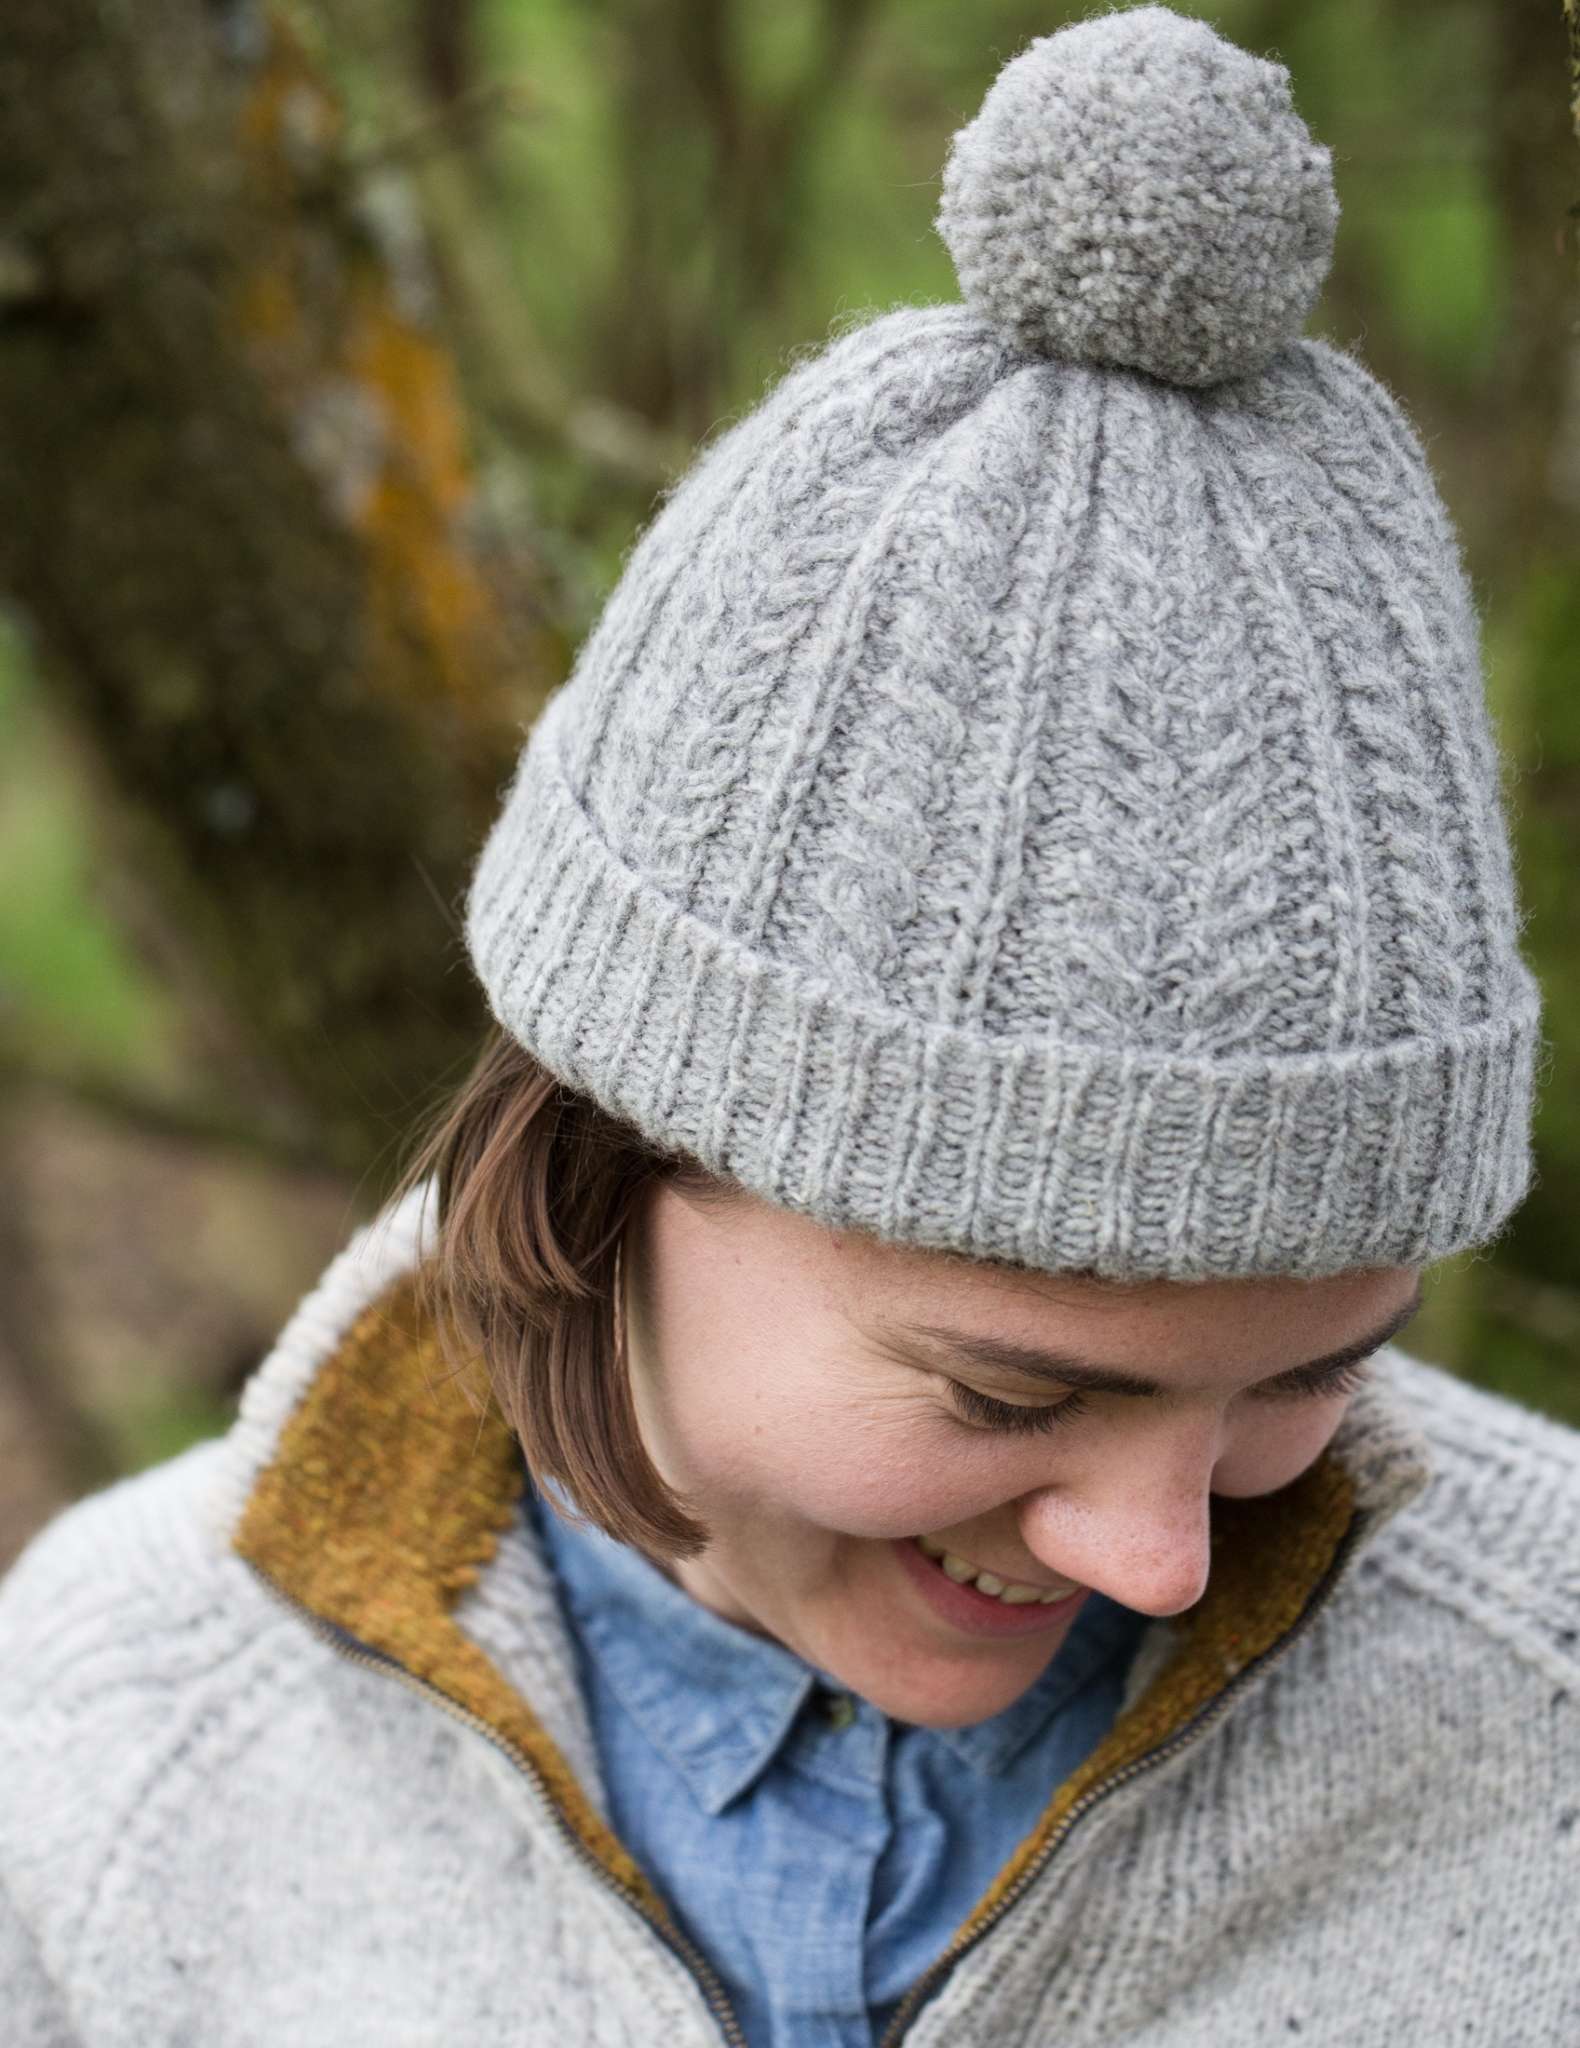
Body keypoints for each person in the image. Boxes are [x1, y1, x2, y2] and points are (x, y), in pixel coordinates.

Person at [3, 6, 1577, 2044]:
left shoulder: (1539, 1715)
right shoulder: (115, 1749)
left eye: (1304, 1374)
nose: (1165, 1554)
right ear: (605, 1166)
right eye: (1017, 1395)